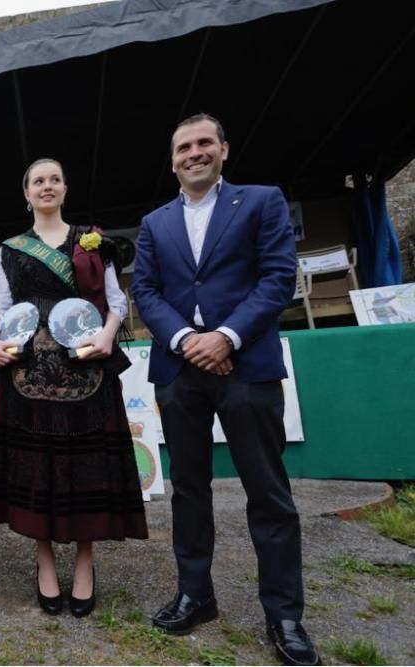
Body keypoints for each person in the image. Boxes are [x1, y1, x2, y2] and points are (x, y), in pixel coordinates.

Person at [132, 113, 318, 666]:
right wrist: (189, 338)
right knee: (189, 491)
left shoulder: (261, 202)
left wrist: (227, 336)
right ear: (172, 160)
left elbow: (278, 278)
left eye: (204, 143)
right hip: (179, 370)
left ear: (223, 150)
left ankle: (284, 616)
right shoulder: (154, 222)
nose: (194, 153)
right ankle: (196, 596)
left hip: (246, 365)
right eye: (184, 147)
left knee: (268, 493)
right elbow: (145, 288)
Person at [0, 159, 148, 617]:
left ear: (65, 188)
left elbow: (116, 301)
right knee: (37, 468)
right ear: (27, 193)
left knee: (86, 468)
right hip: (27, 373)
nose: (47, 186)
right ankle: (43, 563)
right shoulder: (11, 249)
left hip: (85, 368)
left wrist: (106, 334)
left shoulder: (88, 240)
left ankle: (84, 563)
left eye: (55, 178)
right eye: (38, 180)